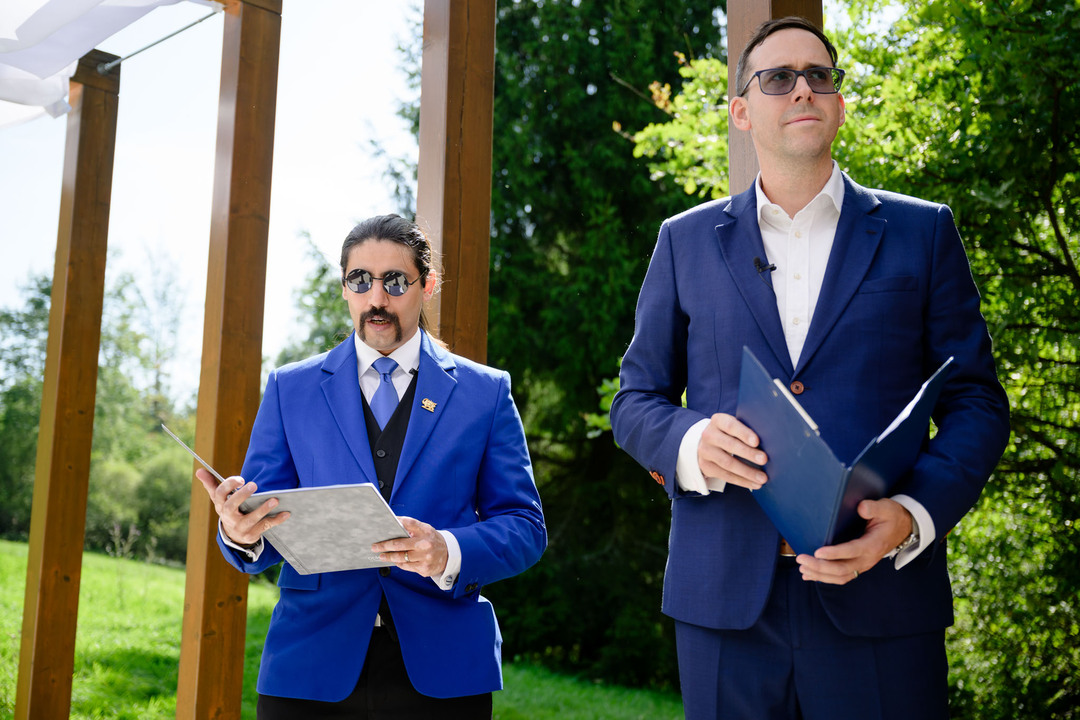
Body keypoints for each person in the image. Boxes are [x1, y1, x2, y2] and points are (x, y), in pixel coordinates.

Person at [609, 16, 1010, 720]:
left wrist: (914, 516)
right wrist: (691, 443)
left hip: (882, 594)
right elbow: (635, 400)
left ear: (839, 103)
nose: (803, 89)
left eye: (819, 77)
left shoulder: (924, 232)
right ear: (741, 111)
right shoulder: (684, 242)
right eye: (778, 78)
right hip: (725, 604)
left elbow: (979, 401)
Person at [197, 214, 547, 719]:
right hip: (309, 666)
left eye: (395, 281)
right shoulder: (289, 388)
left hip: (444, 669)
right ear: (345, 288)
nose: (376, 298)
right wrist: (239, 531)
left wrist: (445, 550)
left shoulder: (485, 393)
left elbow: (525, 527)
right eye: (360, 281)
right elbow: (263, 521)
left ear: (427, 286)